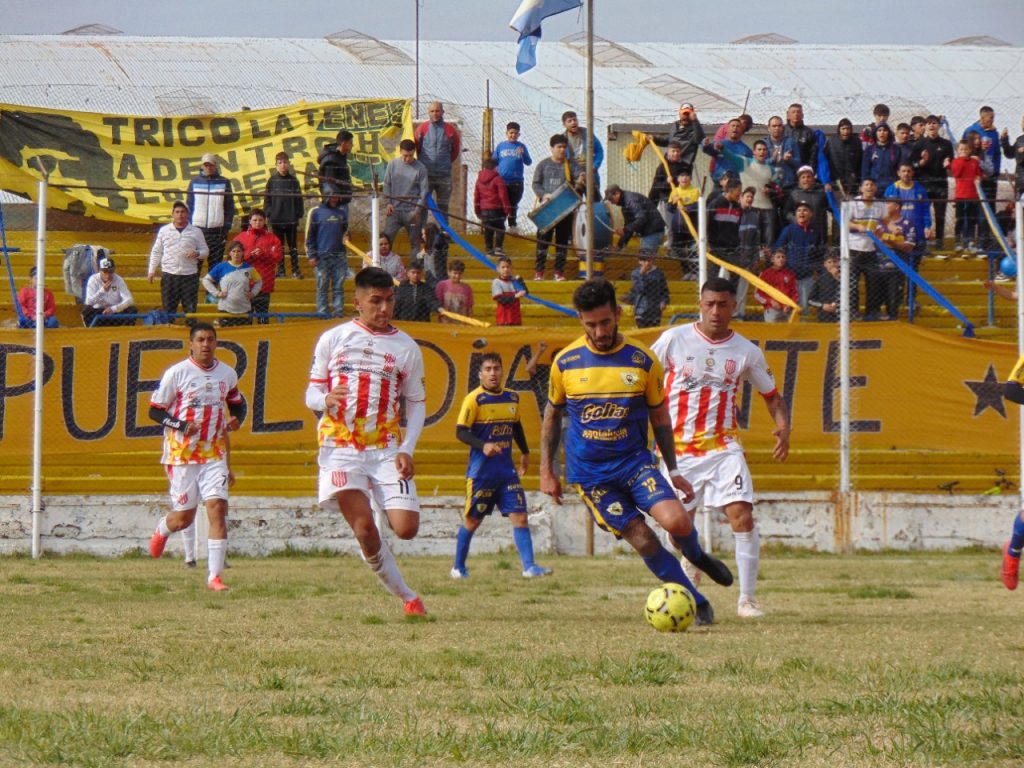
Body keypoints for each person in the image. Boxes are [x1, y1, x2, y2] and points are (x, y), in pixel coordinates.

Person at [540, 278, 734, 627]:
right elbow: (552, 416)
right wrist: (546, 470)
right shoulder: (565, 363)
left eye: (605, 322)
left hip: (634, 464)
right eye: (591, 324)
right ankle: (696, 599)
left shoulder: (642, 360)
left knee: (678, 521)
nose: (600, 331)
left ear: (618, 313)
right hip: (592, 477)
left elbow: (660, 418)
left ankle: (697, 555)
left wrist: (674, 471)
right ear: (580, 320)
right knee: (643, 538)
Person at [651, 277, 790, 618]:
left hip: (724, 448)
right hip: (677, 450)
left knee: (742, 516)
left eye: (723, 305)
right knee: (677, 530)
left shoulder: (746, 352)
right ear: (700, 304)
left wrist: (784, 426)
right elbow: (645, 378)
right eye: (710, 304)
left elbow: (772, 396)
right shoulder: (673, 339)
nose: (716, 311)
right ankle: (690, 561)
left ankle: (747, 599)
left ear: (734, 307)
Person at [305, 266, 428, 616]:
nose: (384, 308)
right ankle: (408, 597)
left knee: (406, 529)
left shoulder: (407, 348)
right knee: (365, 530)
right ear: (357, 302)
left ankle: (378, 504)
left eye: (389, 300)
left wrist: (407, 449)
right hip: (340, 448)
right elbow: (311, 392)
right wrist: (324, 399)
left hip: (386, 448)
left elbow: (417, 403)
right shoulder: (334, 338)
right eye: (376, 301)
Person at [147, 322, 246, 592]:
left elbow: (237, 404)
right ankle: (163, 529)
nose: (206, 344)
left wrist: (237, 419)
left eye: (210, 339)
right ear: (191, 344)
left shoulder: (227, 373)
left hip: (213, 452)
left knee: (217, 508)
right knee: (184, 519)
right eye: (200, 340)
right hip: (182, 454)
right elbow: (155, 411)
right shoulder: (177, 373)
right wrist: (181, 425)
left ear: (216, 343)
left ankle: (214, 577)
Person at [451, 352, 552, 580]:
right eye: (487, 369)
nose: (493, 373)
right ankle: (458, 567)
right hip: (481, 474)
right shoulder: (474, 399)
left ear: (502, 371)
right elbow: (461, 432)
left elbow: (516, 426)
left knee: (520, 517)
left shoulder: (512, 397)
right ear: (480, 374)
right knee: (472, 521)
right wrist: (483, 445)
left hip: (507, 473)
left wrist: (525, 452)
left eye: (496, 368)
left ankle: (529, 567)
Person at [148, 200, 209, 320]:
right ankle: (169, 330)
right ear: (172, 214)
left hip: (189, 276)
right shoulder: (164, 230)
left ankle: (191, 329)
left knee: (190, 311)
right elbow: (156, 251)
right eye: (177, 212)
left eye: (183, 212)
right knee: (168, 311)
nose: (180, 214)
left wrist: (197, 253)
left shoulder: (196, 231)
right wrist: (151, 270)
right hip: (169, 276)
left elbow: (205, 251)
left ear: (187, 214)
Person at [531, 133, 574, 281]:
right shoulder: (543, 165)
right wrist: (544, 195)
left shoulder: (570, 165)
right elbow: (535, 184)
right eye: (559, 147)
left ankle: (559, 273)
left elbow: (579, 180)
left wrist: (582, 177)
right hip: (547, 209)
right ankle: (539, 272)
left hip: (565, 209)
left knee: (562, 242)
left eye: (564, 147)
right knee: (543, 241)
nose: (562, 150)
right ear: (552, 148)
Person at [910, 115, 955, 249]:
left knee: (940, 215)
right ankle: (920, 242)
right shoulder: (919, 144)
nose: (931, 125)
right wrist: (922, 162)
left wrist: (948, 164)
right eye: (929, 123)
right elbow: (913, 165)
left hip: (940, 185)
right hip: (924, 185)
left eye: (934, 123)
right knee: (921, 214)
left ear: (939, 126)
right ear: (925, 126)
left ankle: (939, 243)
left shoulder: (946, 144)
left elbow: (952, 162)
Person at [186, 153, 235, 272]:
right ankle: (193, 285)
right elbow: (189, 205)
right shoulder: (194, 182)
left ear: (215, 165)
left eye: (211, 165)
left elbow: (229, 206)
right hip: (197, 230)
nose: (208, 167)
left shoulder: (224, 182)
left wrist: (226, 227)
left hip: (217, 232)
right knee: (194, 265)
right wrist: (189, 226)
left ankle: (212, 285)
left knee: (215, 266)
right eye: (206, 165)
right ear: (202, 166)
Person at [305, 193, 350, 318]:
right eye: (332, 196)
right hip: (321, 257)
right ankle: (322, 313)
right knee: (322, 287)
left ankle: (338, 312)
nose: (334, 199)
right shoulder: (316, 212)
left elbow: (346, 233)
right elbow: (310, 236)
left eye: (336, 196)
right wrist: (311, 255)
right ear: (326, 197)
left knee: (338, 287)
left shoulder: (342, 213)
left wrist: (347, 237)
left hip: (339, 256)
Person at [414, 101, 461, 220]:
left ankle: (444, 230)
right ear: (428, 112)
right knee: (422, 205)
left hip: (444, 175)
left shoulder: (450, 130)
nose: (435, 113)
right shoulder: (422, 129)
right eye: (432, 111)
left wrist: (444, 163)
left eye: (437, 111)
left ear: (442, 112)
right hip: (426, 175)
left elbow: (455, 151)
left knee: (443, 207)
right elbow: (416, 149)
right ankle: (422, 229)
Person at [235, 207, 282, 323]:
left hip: (264, 283)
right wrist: (248, 255)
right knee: (246, 319)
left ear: (265, 221)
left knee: (263, 318)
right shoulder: (240, 237)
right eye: (255, 220)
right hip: (244, 284)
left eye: (260, 220)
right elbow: (232, 256)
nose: (257, 222)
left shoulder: (273, 238)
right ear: (250, 221)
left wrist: (264, 253)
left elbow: (278, 257)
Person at [774, 202, 822, 313]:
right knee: (788, 307)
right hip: (789, 276)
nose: (801, 213)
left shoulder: (816, 231)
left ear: (811, 214)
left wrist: (816, 270)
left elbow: (819, 253)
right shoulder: (788, 230)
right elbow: (778, 249)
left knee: (804, 309)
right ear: (795, 214)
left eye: (805, 210)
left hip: (807, 277)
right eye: (799, 210)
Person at [263, 151, 305, 279]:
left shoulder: (294, 181)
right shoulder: (272, 181)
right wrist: (270, 213)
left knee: (293, 247)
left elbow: (299, 199)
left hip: (291, 220)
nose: (283, 165)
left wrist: (298, 214)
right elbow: (267, 200)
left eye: (285, 162)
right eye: (280, 163)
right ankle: (281, 270)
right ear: (276, 165)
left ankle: (295, 270)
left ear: (289, 164)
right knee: (278, 247)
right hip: (276, 220)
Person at [382, 138, 429, 254]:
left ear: (414, 153)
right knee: (385, 240)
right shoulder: (392, 165)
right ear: (400, 151)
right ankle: (382, 264)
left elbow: (424, 192)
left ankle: (415, 265)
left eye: (410, 156)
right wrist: (388, 203)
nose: (407, 159)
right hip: (394, 211)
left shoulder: (421, 168)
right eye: (405, 156)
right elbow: (387, 184)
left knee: (415, 243)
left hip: (412, 212)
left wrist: (417, 211)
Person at [871, 200, 915, 321]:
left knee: (893, 301)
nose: (885, 205)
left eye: (888, 203)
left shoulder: (907, 224)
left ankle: (893, 321)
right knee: (874, 301)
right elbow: (871, 242)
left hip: (896, 269)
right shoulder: (878, 223)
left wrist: (892, 243)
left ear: (897, 207)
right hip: (877, 267)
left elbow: (909, 246)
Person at [848, 178, 886, 317]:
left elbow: (886, 221)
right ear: (861, 188)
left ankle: (872, 312)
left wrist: (889, 229)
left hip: (871, 250)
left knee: (873, 283)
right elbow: (844, 222)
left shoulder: (880, 205)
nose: (869, 187)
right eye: (867, 184)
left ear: (875, 188)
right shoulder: (853, 203)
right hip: (854, 249)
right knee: (852, 284)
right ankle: (853, 312)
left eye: (872, 185)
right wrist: (857, 226)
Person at [202, 240, 262, 326]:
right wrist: (217, 293)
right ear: (229, 253)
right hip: (225, 309)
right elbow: (206, 280)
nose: (236, 254)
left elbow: (259, 281)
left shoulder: (249, 268)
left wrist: (253, 293)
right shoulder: (221, 267)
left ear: (242, 253)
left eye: (238, 251)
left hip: (244, 309)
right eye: (233, 251)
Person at [884, 164, 932, 270]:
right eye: (903, 171)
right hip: (898, 233)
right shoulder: (891, 189)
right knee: (897, 267)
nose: (906, 173)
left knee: (914, 267)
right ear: (898, 173)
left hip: (917, 233)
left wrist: (927, 226)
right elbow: (885, 212)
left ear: (912, 173)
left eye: (909, 171)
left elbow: (926, 210)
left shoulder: (920, 190)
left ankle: (913, 281)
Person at [605, 184, 665, 256]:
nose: (611, 202)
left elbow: (641, 218)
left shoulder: (631, 200)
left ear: (617, 194)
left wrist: (625, 230)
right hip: (649, 231)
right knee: (644, 258)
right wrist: (619, 246)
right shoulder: (625, 205)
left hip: (653, 231)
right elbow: (630, 227)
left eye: (611, 199)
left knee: (645, 259)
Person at [494, 121, 533, 229]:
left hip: (516, 182)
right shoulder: (501, 146)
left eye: (515, 133)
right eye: (511, 133)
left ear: (519, 134)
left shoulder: (521, 146)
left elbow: (529, 162)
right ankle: (499, 226)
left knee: (513, 204)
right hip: (502, 181)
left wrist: (523, 154)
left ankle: (512, 226)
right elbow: (494, 161)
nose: (513, 135)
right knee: (501, 204)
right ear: (506, 133)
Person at [82, 257, 136, 326]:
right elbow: (89, 302)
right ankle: (92, 330)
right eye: (105, 271)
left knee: (132, 310)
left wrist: (113, 309)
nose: (108, 275)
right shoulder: (93, 279)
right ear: (99, 270)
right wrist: (102, 291)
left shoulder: (118, 280)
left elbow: (129, 299)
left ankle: (125, 331)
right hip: (99, 312)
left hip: (115, 312)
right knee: (87, 311)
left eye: (110, 272)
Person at [962, 106, 1001, 204]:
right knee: (974, 204)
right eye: (990, 118)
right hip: (974, 174)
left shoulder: (994, 133)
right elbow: (963, 149)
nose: (992, 120)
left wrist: (995, 170)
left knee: (990, 203)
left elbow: (997, 153)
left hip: (990, 174)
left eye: (993, 117)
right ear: (982, 117)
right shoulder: (971, 131)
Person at [561, 110, 604, 198]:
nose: (573, 122)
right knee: (574, 203)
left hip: (590, 173)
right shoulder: (562, 139)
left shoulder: (587, 133)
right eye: (569, 121)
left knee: (595, 202)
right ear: (564, 125)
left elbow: (599, 151)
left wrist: (594, 166)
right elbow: (560, 159)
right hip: (573, 177)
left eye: (575, 120)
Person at [949, 139, 981, 255]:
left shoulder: (974, 162)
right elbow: (956, 173)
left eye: (966, 149)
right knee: (960, 219)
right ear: (958, 151)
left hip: (973, 195)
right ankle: (958, 242)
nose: (964, 151)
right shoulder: (956, 162)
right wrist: (962, 159)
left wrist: (979, 178)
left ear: (970, 150)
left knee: (972, 220)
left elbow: (978, 174)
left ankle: (970, 242)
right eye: (961, 149)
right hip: (961, 196)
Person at [474, 157, 511, 256]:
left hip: (484, 209)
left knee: (488, 229)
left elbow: (476, 196)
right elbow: (503, 195)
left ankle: (489, 249)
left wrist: (477, 210)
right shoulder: (498, 179)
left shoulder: (479, 180)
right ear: (495, 167)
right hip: (497, 209)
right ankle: (498, 247)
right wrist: (507, 209)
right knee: (500, 228)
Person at [621, 253, 669, 328]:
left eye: (649, 260)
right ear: (640, 262)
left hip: (655, 308)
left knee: (654, 331)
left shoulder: (659, 273)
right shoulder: (635, 273)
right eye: (645, 261)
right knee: (642, 330)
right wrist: (642, 275)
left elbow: (664, 289)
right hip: (641, 307)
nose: (647, 263)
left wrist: (664, 301)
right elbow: (640, 289)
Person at [756, 249, 798, 322]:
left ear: (785, 260)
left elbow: (795, 293)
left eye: (783, 257)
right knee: (772, 327)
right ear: (772, 260)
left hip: (787, 309)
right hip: (772, 308)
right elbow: (758, 294)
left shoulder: (790, 274)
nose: (781, 259)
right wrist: (770, 301)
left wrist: (790, 305)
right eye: (778, 257)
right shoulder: (765, 274)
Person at [826, 118, 863, 196]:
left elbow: (860, 161)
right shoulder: (831, 141)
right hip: (835, 181)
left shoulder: (857, 142)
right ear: (839, 129)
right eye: (843, 129)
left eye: (848, 129)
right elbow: (825, 160)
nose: (845, 131)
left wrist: (859, 180)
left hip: (852, 182)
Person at [764, 115, 800, 193]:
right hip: (769, 184)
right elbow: (758, 163)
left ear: (783, 128)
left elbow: (798, 162)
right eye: (774, 126)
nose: (777, 128)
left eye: (779, 126)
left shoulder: (791, 142)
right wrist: (772, 159)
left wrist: (789, 160)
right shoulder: (763, 143)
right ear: (769, 128)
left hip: (788, 184)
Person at [317, 129, 354, 202]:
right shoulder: (331, 160)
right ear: (343, 144)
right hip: (335, 202)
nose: (352, 145)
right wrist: (336, 200)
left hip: (342, 200)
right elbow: (329, 184)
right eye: (350, 143)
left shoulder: (340, 156)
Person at [861, 123, 899, 192]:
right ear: (875, 133)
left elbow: (899, 168)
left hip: (891, 186)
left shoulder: (896, 149)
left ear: (889, 133)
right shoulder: (869, 149)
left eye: (885, 130)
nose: (882, 132)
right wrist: (865, 185)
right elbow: (865, 170)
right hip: (874, 186)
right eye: (879, 130)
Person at [492, 256, 527, 326]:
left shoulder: (514, 281)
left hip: (515, 317)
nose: (506, 269)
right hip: (504, 319)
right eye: (503, 267)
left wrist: (521, 281)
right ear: (498, 269)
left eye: (508, 267)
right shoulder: (497, 282)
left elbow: (525, 292)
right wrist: (515, 296)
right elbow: (501, 300)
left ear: (511, 268)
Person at [808, 253, 841, 322]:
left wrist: (837, 278)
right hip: (824, 317)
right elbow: (810, 300)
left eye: (835, 261)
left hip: (842, 315)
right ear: (825, 264)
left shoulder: (846, 278)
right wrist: (822, 305)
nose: (832, 264)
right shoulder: (820, 279)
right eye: (829, 262)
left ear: (838, 263)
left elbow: (851, 295)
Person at [784, 102, 817, 167]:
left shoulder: (808, 132)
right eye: (793, 112)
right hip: (784, 168)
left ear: (802, 115)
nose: (796, 114)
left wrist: (809, 168)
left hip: (802, 168)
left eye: (798, 112)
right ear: (788, 115)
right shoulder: (782, 131)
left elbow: (813, 154)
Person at [1000, 114, 1024, 199]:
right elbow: (1010, 154)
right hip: (1020, 180)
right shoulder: (1020, 140)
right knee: (1019, 204)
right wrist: (1004, 139)